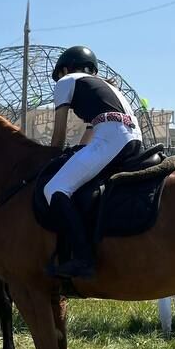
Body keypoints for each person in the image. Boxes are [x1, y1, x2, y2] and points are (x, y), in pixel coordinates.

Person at [43, 45, 143, 278]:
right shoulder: (107, 87)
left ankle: (83, 258)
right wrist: (78, 151)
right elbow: (90, 131)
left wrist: (50, 157)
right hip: (133, 138)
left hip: (111, 138)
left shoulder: (65, 80)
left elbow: (58, 136)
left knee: (54, 188)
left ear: (65, 69)